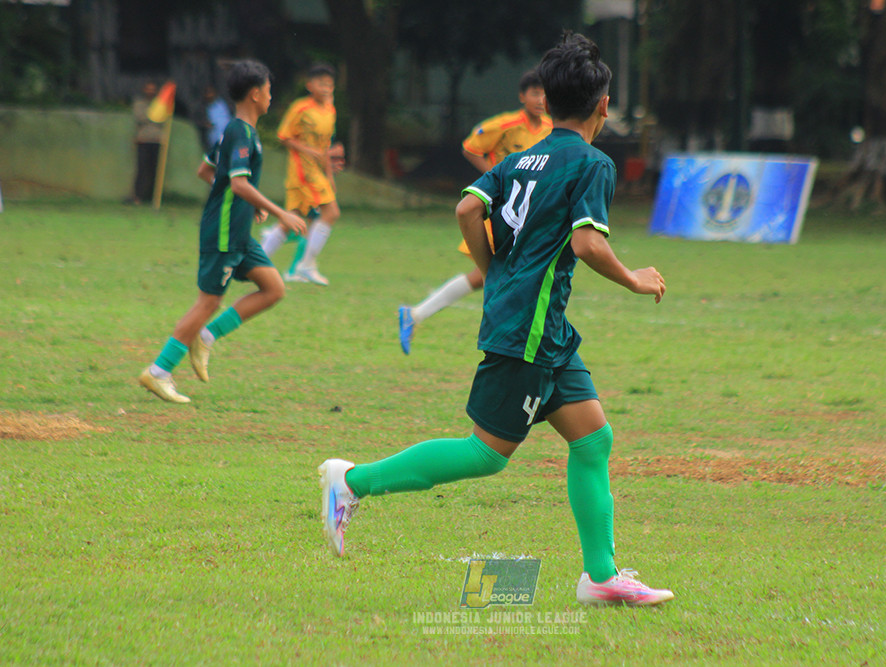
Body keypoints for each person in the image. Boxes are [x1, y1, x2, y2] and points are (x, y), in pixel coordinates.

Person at [319, 33, 673, 606]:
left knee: (592, 439)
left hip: (545, 330)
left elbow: (466, 208)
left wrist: (493, 269)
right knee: (486, 454)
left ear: (549, 101)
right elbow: (586, 244)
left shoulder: (519, 157)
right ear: (603, 105)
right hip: (527, 331)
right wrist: (634, 277)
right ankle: (350, 482)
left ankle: (601, 576)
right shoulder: (593, 164)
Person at [138, 60, 307, 404]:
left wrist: (249, 203)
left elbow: (207, 170)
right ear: (256, 93)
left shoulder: (239, 131)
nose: (272, 97)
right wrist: (278, 212)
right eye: (270, 91)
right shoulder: (240, 132)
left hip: (239, 231)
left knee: (273, 288)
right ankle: (158, 372)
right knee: (210, 301)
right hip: (225, 232)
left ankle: (208, 337)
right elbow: (239, 182)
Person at [398, 70, 552, 354]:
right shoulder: (504, 124)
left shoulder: (551, 128)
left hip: (531, 214)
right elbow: (470, 148)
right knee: (503, 274)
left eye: (544, 93)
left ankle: (416, 314)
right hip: (504, 214)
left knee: (490, 275)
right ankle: (512, 340)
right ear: (522, 97)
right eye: (534, 93)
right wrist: (497, 177)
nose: (540, 99)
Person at [259, 63, 342, 286]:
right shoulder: (300, 108)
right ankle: (306, 266)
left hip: (316, 172)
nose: (325, 88)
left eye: (329, 84)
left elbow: (325, 147)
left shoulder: (330, 111)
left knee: (290, 220)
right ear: (309, 86)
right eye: (321, 83)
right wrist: (307, 150)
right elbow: (283, 136)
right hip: (302, 171)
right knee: (331, 212)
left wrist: (330, 176)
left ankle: (255, 264)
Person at [130, 80, 164, 205]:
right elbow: (140, 117)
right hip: (143, 140)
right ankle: (138, 197)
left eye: (153, 89)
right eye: (148, 88)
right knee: (142, 169)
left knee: (155, 170)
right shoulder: (139, 103)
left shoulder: (160, 104)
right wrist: (154, 115)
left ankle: (152, 198)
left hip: (157, 140)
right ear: (144, 90)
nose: (150, 91)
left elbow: (163, 120)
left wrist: (153, 116)